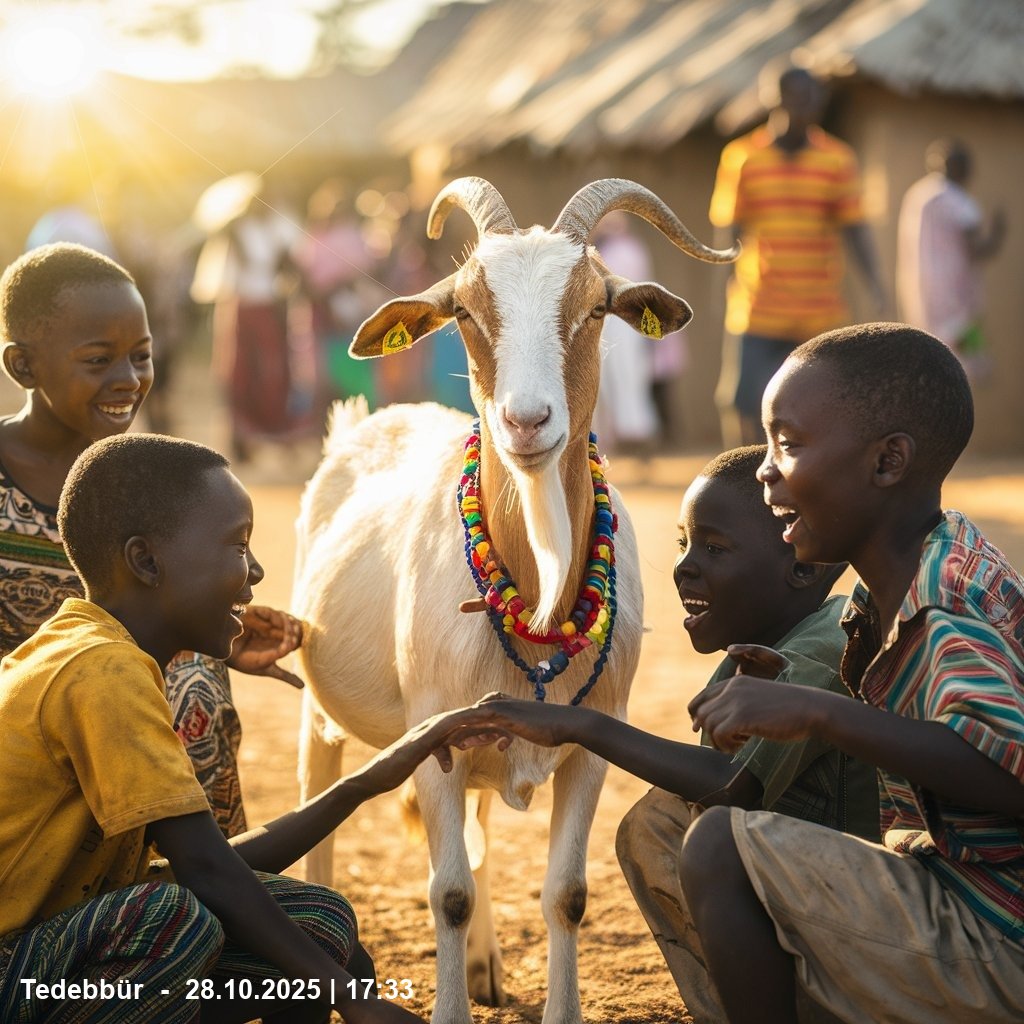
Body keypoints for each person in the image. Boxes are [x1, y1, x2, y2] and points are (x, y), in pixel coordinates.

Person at [0, 432, 507, 1023]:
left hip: (71, 948)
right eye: (237, 546)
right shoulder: (101, 671)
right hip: (18, 970)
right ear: (145, 561)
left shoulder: (109, 654)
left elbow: (215, 860)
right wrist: (359, 1005)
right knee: (177, 924)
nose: (258, 570)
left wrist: (373, 778)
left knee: (321, 925)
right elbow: (206, 871)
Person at [445, 445, 879, 1023]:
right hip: (812, 883)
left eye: (714, 548)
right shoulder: (761, 652)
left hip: (863, 915)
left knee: (700, 832)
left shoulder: (826, 647)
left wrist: (578, 723)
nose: (683, 567)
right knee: (659, 825)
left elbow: (733, 787)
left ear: (803, 568)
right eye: (684, 544)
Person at [679, 323, 1024, 1024]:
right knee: (675, 824)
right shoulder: (898, 581)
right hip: (956, 903)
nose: (766, 470)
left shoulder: (944, 611)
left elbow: (1010, 772)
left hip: (1000, 939)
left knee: (721, 843)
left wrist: (821, 714)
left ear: (887, 462)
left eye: (789, 444)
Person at [0, 242, 300, 837]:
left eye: (141, 356)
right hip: (24, 731)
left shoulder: (151, 478)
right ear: (23, 368)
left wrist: (207, 628)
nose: (128, 381)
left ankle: (201, 886)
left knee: (196, 685)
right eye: (98, 361)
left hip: (119, 697)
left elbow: (140, 603)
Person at [710, 66, 886, 447]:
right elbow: (730, 230)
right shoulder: (742, 158)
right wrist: (720, 285)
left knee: (820, 407)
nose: (807, 105)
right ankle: (746, 483)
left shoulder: (837, 160)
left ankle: (811, 493)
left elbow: (855, 228)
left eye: (813, 97)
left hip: (817, 309)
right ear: (774, 99)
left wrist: (875, 283)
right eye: (797, 96)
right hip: (757, 306)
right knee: (742, 403)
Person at [897, 138, 1006, 383]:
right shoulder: (959, 202)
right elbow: (978, 250)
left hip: (922, 290)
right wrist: (999, 232)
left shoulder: (919, 194)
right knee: (963, 364)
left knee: (931, 358)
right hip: (955, 294)